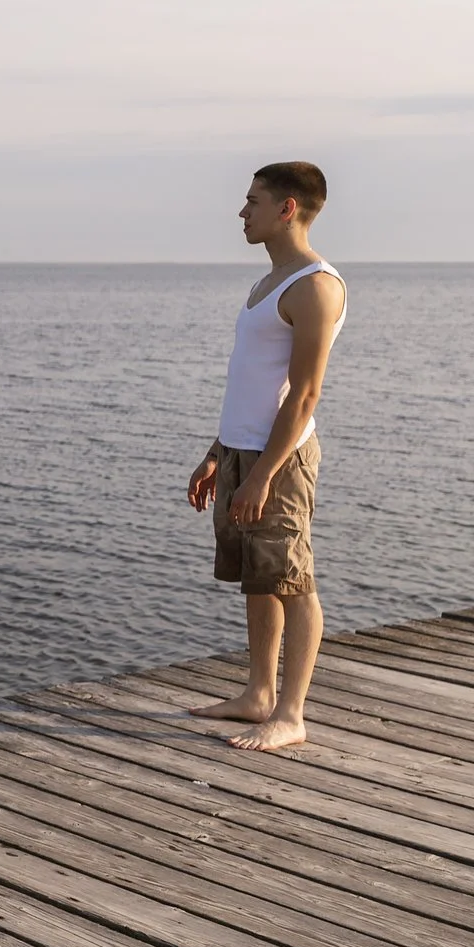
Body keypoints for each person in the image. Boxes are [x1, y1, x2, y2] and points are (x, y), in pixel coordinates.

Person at [185, 162, 348, 751]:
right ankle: (258, 694)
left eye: (253, 201)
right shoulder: (268, 284)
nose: (242, 211)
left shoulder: (315, 286)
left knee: (292, 580)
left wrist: (263, 475)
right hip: (241, 451)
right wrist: (218, 452)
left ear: (287, 209)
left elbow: (304, 395)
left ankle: (291, 714)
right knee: (259, 580)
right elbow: (251, 382)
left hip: (279, 460)